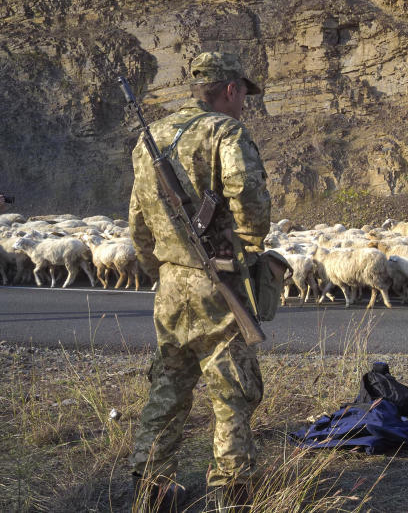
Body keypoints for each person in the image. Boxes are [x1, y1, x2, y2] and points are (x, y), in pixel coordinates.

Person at [128, 51, 271, 509]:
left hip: (170, 284)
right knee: (231, 391)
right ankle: (233, 491)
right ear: (231, 89)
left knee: (169, 385)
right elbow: (247, 193)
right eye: (245, 93)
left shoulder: (149, 139)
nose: (246, 103)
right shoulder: (226, 132)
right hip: (216, 279)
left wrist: (163, 272)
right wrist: (245, 248)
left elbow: (138, 223)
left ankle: (151, 488)